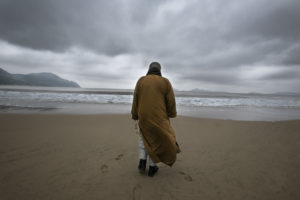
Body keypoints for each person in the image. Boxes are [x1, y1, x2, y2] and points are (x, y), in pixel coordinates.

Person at [131, 61, 181, 177]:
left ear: (149, 69)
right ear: (160, 70)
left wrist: (135, 115)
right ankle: (152, 168)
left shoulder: (141, 81)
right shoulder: (165, 82)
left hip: (143, 116)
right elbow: (171, 101)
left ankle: (142, 162)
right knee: (156, 141)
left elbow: (136, 99)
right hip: (159, 117)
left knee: (143, 138)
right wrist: (171, 114)